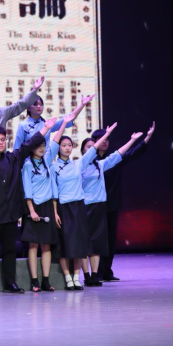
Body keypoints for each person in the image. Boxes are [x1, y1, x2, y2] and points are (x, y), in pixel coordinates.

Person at [0, 118, 59, 294]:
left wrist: (45, 128)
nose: (1, 142)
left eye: (3, 139)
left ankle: (10, 283)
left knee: (10, 250)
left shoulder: (13, 159)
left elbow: (29, 145)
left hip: (11, 213)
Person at [53, 123, 116, 290]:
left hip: (79, 207)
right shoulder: (53, 167)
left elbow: (93, 149)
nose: (67, 148)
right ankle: (68, 278)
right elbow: (53, 192)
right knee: (64, 244)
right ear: (58, 148)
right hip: (63, 207)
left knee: (79, 244)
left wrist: (106, 134)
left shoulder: (78, 164)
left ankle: (76, 278)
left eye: (69, 145)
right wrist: (55, 212)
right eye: (63, 145)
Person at [79, 129, 144, 286]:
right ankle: (86, 275)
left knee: (99, 242)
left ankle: (96, 275)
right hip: (85, 207)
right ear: (83, 150)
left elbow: (118, 155)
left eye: (93, 147)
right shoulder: (78, 166)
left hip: (100, 207)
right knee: (84, 242)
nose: (92, 149)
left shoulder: (100, 165)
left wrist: (132, 140)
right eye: (89, 147)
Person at [93, 121, 155, 282]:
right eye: (101, 139)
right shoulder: (90, 162)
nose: (105, 142)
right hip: (95, 205)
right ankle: (97, 272)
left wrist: (147, 138)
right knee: (97, 239)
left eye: (107, 139)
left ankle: (107, 271)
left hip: (112, 203)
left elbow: (133, 153)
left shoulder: (114, 159)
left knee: (110, 239)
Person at [20, 119, 64, 293]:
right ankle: (34, 281)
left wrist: (64, 123)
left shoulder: (47, 160)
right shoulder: (27, 165)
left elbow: (56, 141)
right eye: (38, 145)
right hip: (33, 207)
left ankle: (46, 280)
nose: (41, 148)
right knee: (33, 245)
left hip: (47, 206)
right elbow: (27, 190)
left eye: (43, 145)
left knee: (46, 244)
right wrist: (31, 211)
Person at [12, 93, 95, 150]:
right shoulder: (23, 125)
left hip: (45, 165)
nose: (39, 106)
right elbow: (17, 149)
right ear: (28, 108)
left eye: (41, 104)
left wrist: (82, 104)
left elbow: (70, 117)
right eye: (35, 104)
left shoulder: (47, 124)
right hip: (27, 166)